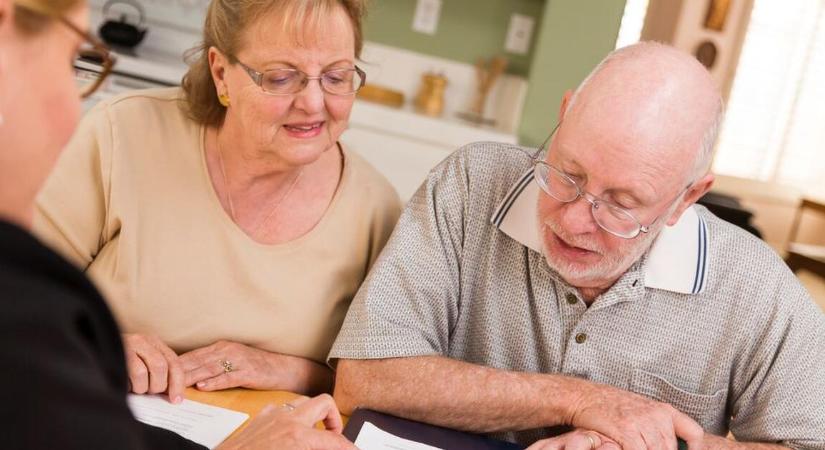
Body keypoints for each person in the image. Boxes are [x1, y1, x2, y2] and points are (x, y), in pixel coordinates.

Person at [329, 42, 825, 449]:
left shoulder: (756, 285)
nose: (571, 220)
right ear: (565, 114)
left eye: (621, 204)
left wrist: (648, 441)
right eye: (567, 174)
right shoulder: (470, 184)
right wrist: (578, 400)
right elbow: (363, 378)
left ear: (686, 198)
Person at [0, 0, 356, 448]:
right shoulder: (121, 135)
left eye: (337, 77)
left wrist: (289, 369)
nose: (314, 102)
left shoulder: (376, 208)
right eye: (280, 77)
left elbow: (362, 379)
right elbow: (19, 309)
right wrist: (99, 343)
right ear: (221, 73)